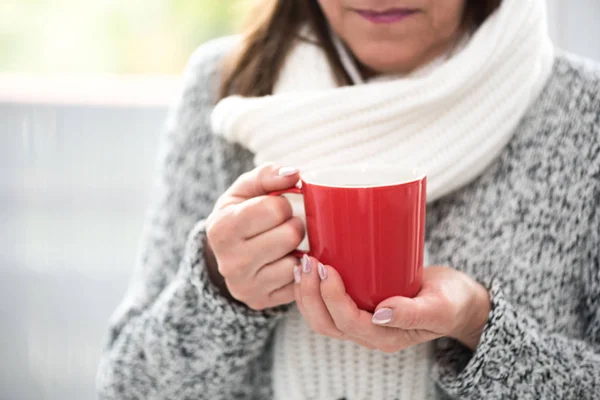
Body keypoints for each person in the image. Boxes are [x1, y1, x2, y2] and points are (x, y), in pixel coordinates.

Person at [97, 0, 600, 398]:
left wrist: (477, 325)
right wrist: (217, 287)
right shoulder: (225, 84)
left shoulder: (583, 112)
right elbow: (126, 388)